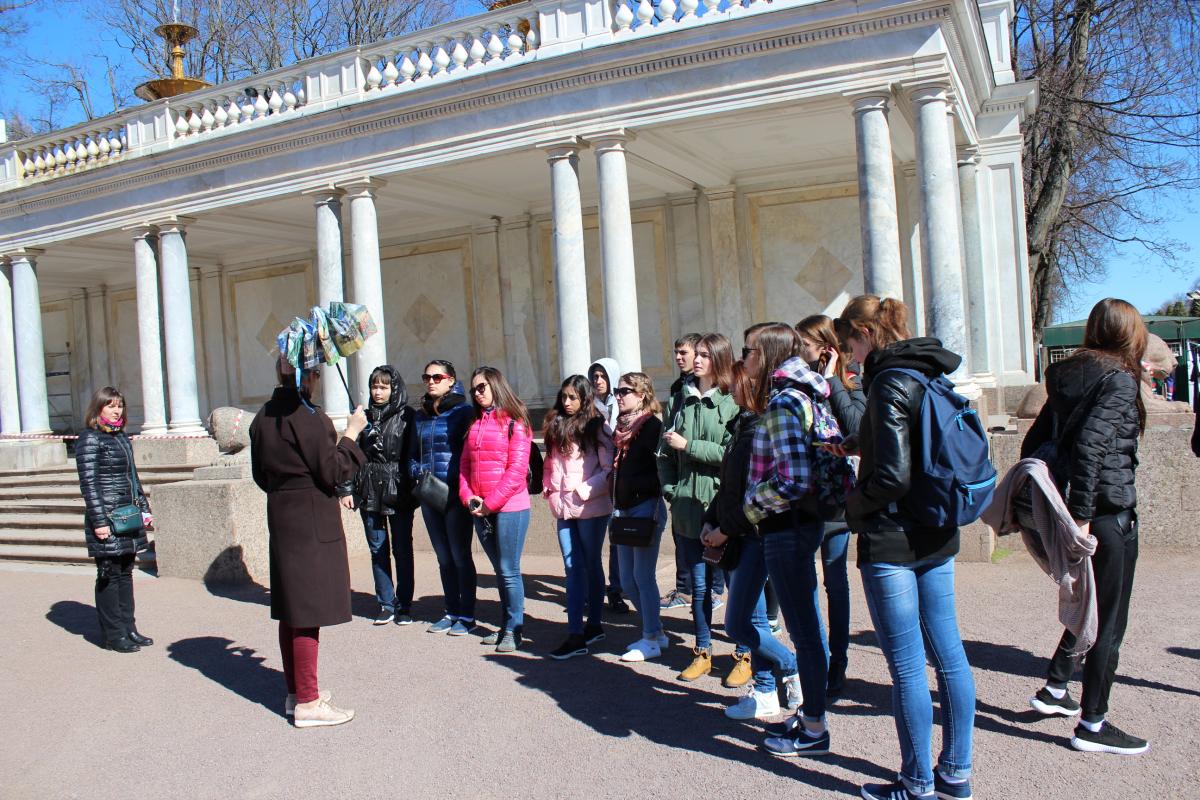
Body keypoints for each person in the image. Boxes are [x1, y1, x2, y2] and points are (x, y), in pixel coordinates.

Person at [835, 295, 975, 799]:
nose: (848, 353)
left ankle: (917, 784)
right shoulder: (925, 371)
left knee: (910, 667)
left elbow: (892, 477)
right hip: (937, 525)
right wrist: (861, 445)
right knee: (950, 656)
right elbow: (914, 447)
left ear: (866, 334)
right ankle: (956, 776)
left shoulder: (889, 381)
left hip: (893, 536)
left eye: (849, 341)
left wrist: (852, 507)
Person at [1021, 298, 1150, 756]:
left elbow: (1034, 445)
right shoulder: (1118, 380)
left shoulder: (1063, 374)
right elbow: (1091, 448)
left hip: (1082, 508)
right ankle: (1093, 723)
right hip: (1106, 513)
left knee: (1091, 604)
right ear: (1130, 333)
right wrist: (1080, 516)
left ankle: (1055, 687)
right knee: (1110, 621)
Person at [250, 356, 367, 728]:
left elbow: (260, 475)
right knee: (307, 615)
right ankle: (309, 703)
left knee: (292, 610)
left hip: (283, 516)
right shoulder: (308, 417)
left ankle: (296, 691)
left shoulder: (263, 417)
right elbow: (334, 471)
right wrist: (351, 434)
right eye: (316, 372)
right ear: (310, 375)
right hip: (312, 520)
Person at [742, 322, 833, 757]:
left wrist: (751, 504)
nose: (744, 361)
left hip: (787, 526)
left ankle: (814, 727)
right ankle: (812, 716)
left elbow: (794, 481)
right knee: (807, 628)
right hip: (798, 525)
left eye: (750, 352)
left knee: (805, 631)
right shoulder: (806, 393)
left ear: (768, 357)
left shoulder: (783, 402)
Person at [701, 361, 802, 720]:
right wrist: (710, 519)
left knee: (738, 624)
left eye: (736, 383)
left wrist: (722, 529)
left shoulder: (759, 427)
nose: (729, 388)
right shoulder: (743, 425)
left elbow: (752, 493)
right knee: (753, 621)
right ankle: (764, 691)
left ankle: (788, 665)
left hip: (751, 536)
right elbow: (729, 487)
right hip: (736, 533)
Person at [659, 332, 740, 683]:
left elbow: (732, 455)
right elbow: (664, 450)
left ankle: (744, 653)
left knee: (737, 586)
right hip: (687, 507)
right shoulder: (681, 397)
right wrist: (671, 490)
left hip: (722, 507)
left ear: (719, 359)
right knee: (699, 587)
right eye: (697, 354)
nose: (696, 359)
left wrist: (690, 446)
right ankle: (703, 651)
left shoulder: (732, 401)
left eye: (705, 355)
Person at [797, 313, 866, 698]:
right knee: (805, 582)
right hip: (806, 495)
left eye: (805, 344)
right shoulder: (801, 380)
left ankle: (838, 660)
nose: (799, 350)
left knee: (835, 582)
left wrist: (833, 379)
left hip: (837, 496)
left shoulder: (851, 378)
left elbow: (855, 422)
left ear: (824, 347)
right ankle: (817, 656)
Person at [459, 366, 534, 653]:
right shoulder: (474, 423)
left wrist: (490, 504)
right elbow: (465, 466)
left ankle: (515, 629)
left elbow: (516, 471)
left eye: (482, 388)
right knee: (499, 569)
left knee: (508, 570)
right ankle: (505, 625)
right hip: (480, 508)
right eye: (474, 389)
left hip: (509, 507)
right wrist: (469, 498)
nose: (477, 394)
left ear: (496, 386)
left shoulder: (516, 422)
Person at [75, 387, 153, 654]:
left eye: (119, 405)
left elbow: (133, 477)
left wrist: (143, 507)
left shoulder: (121, 437)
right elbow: (89, 484)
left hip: (127, 515)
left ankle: (128, 627)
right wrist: (99, 520)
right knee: (108, 573)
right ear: (98, 409)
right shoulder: (89, 439)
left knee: (125, 572)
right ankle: (113, 634)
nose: (116, 410)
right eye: (110, 406)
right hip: (107, 516)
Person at [542, 375, 615, 659]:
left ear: (585, 398)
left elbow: (607, 470)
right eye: (564, 397)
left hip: (590, 508)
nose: (567, 402)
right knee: (572, 568)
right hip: (562, 508)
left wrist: (583, 491)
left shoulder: (597, 426)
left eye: (573, 397)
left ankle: (593, 624)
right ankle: (575, 633)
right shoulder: (555, 424)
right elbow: (550, 463)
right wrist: (549, 489)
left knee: (590, 564)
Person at [338, 365, 417, 626]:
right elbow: (349, 455)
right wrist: (346, 488)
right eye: (375, 386)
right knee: (377, 549)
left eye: (384, 386)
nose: (378, 392)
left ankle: (404, 603)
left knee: (402, 549)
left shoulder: (407, 416)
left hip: (398, 487)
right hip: (369, 487)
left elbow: (412, 454)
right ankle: (385, 602)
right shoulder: (363, 416)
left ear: (394, 389)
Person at [410, 360, 478, 636]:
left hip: (455, 492)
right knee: (443, 557)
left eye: (437, 377)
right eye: (427, 376)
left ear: (451, 380)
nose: (431, 381)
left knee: (460, 555)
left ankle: (467, 615)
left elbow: (471, 452)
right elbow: (412, 454)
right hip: (429, 493)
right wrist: (416, 471)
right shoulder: (420, 415)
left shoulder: (464, 411)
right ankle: (451, 611)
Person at [610, 372, 670, 662]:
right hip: (622, 509)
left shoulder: (651, 427)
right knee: (627, 581)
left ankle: (650, 639)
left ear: (642, 395)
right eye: (617, 390)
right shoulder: (620, 428)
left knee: (643, 576)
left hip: (647, 507)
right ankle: (656, 631)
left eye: (625, 391)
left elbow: (662, 468)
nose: (618, 395)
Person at [662, 333, 702, 611]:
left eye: (684, 352)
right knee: (682, 536)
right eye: (676, 352)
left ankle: (707, 590)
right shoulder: (679, 386)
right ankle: (685, 589)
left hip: (699, 470)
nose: (679, 357)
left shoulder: (704, 388)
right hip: (678, 472)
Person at [589, 356, 631, 614]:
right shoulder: (588, 407)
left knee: (616, 537)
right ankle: (591, 588)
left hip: (618, 479)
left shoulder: (622, 406)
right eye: (594, 376)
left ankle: (616, 589)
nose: (598, 381)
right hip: (594, 478)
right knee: (593, 538)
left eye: (603, 376)